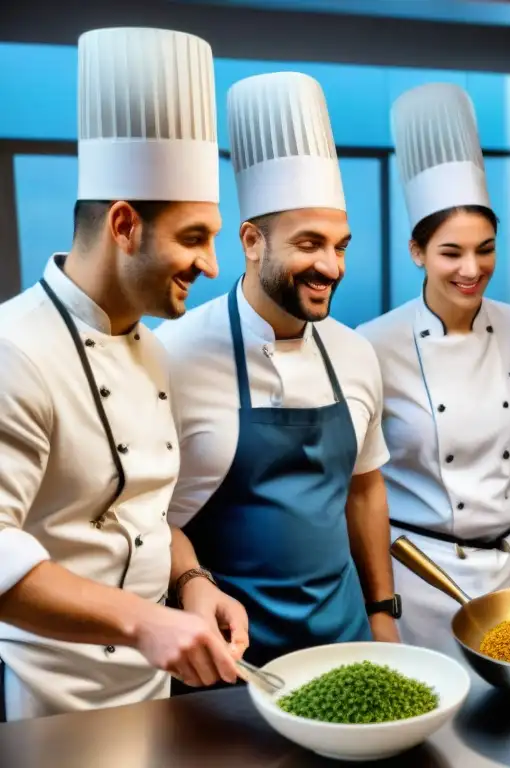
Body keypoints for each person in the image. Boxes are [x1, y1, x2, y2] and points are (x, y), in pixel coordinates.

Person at [0, 27, 246, 722]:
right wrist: (142, 621)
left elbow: (144, 516)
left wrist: (192, 580)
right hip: (42, 701)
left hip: (145, 693)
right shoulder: (14, 349)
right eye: (194, 238)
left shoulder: (151, 350)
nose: (211, 265)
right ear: (124, 223)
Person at [156, 71, 398, 678]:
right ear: (251, 241)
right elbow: (146, 512)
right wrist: (188, 581)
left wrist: (382, 614)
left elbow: (364, 488)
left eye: (341, 246)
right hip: (229, 656)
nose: (330, 266)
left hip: (344, 646)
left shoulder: (354, 353)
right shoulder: (175, 354)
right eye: (310, 244)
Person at [357, 83, 510, 656]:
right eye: (451, 252)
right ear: (417, 252)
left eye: (486, 248)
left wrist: (498, 496)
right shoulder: (373, 344)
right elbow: (360, 480)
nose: (471, 268)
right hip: (417, 575)